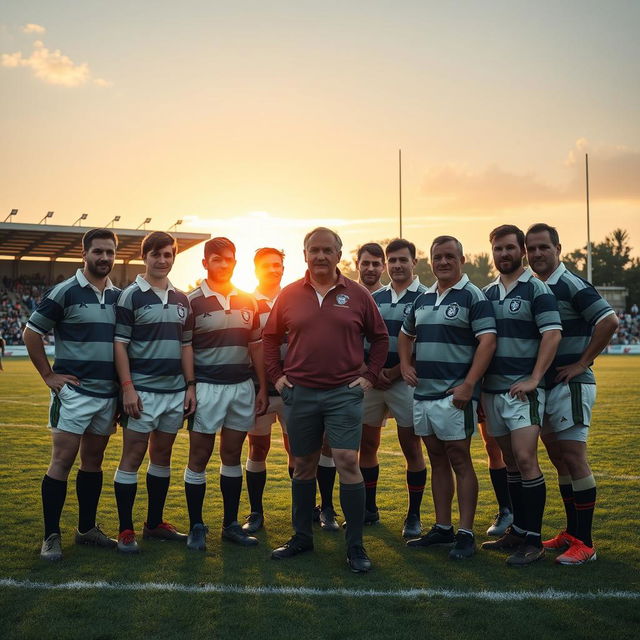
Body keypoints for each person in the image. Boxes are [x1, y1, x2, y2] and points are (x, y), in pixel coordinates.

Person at [264, 227, 388, 573]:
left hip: (343, 394)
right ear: (305, 255)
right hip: (300, 394)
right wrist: (277, 377)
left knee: (347, 460)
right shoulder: (288, 295)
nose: (320, 256)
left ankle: (356, 546)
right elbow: (269, 338)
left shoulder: (359, 294)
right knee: (303, 465)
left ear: (338, 253)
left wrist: (369, 377)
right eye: (313, 250)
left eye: (327, 250)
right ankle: (302, 537)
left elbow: (380, 339)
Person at [23, 228, 121, 560]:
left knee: (93, 463)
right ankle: (51, 536)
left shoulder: (119, 296)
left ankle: (87, 530)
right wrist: (48, 374)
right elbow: (31, 333)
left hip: (108, 396)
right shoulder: (64, 291)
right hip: (74, 395)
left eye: (109, 252)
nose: (104, 258)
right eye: (98, 251)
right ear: (85, 254)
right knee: (62, 462)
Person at [525, 223, 618, 565]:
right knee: (559, 458)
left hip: (570, 384)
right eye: (531, 248)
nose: (536, 254)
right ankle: (571, 533)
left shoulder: (570, 283)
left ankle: (587, 544)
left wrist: (582, 363)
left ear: (558, 248)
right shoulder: (536, 287)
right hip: (547, 385)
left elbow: (609, 320)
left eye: (543, 248)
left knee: (574, 457)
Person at [399, 235, 496, 560]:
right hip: (423, 396)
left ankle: (466, 533)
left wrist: (469, 384)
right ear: (430, 260)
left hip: (454, 397)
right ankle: (443, 528)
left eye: (449, 256)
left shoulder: (473, 296)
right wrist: (404, 363)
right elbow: (405, 333)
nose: (443, 262)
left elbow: (487, 342)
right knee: (437, 460)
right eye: (437, 257)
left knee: (460, 460)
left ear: (462, 260)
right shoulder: (423, 298)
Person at [480, 225, 562, 565]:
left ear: (522, 251)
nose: (504, 254)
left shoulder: (537, 289)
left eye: (510, 248)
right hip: (492, 391)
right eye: (498, 249)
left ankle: (533, 540)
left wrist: (534, 378)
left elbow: (552, 334)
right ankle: (517, 530)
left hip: (521, 392)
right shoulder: (485, 292)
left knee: (526, 460)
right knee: (510, 461)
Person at [113, 231, 196, 553]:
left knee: (162, 458)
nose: (162, 261)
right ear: (143, 256)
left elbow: (186, 346)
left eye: (168, 255)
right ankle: (124, 529)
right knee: (132, 457)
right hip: (142, 393)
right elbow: (119, 345)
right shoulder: (130, 295)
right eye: (156, 255)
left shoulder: (182, 299)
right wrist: (128, 388)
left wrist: (189, 386)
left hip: (174, 393)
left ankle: (154, 523)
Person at [184, 237, 267, 550]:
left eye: (229, 259)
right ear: (205, 263)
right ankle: (196, 526)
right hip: (207, 387)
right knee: (199, 457)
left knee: (232, 456)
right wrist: (190, 386)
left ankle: (231, 525)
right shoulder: (191, 301)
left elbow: (255, 346)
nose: (224, 264)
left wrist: (260, 387)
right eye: (217, 259)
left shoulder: (249, 300)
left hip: (241, 387)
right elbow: (186, 348)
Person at [359, 238, 429, 538]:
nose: (398, 265)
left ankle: (413, 516)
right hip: (373, 381)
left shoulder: (426, 296)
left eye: (404, 260)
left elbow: (425, 343)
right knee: (367, 445)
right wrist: (372, 371)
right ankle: (368, 509)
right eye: (393, 260)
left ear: (414, 262)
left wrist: (397, 371)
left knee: (411, 447)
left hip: (406, 381)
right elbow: (359, 339)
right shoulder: (374, 298)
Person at [241, 247, 293, 534]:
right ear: (256, 269)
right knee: (257, 447)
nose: (273, 270)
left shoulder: (297, 297)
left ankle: (306, 508)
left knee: (297, 449)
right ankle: (256, 512)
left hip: (294, 388)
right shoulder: (246, 300)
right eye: (267, 266)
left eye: (278, 265)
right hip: (259, 388)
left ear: (283, 269)